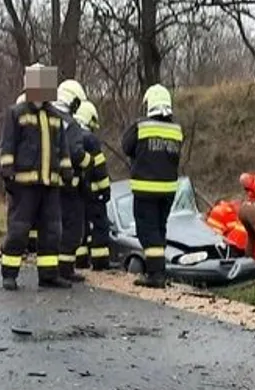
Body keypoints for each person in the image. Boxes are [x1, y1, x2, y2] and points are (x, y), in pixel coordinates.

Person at [0, 64, 74, 290]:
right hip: (25, 185)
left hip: (50, 184)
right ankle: (9, 274)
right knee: (19, 230)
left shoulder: (55, 116)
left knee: (52, 231)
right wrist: (7, 173)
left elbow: (62, 148)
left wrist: (67, 171)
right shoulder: (16, 113)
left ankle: (48, 275)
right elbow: (8, 145)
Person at [121, 84, 182, 288]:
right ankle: (159, 270)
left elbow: (126, 146)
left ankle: (155, 275)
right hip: (169, 191)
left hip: (146, 190)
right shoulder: (176, 130)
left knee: (147, 232)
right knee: (159, 229)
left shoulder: (141, 127)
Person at [53, 78, 90, 284]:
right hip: (69, 185)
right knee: (72, 227)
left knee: (52, 226)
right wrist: (89, 161)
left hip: (47, 183)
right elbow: (76, 153)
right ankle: (65, 269)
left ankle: (50, 269)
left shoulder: (48, 116)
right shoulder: (71, 124)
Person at [72, 100, 114, 271]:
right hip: (94, 192)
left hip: (76, 191)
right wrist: (105, 189)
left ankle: (80, 261)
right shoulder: (90, 139)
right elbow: (99, 167)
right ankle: (100, 262)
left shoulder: (70, 135)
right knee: (100, 226)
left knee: (80, 226)